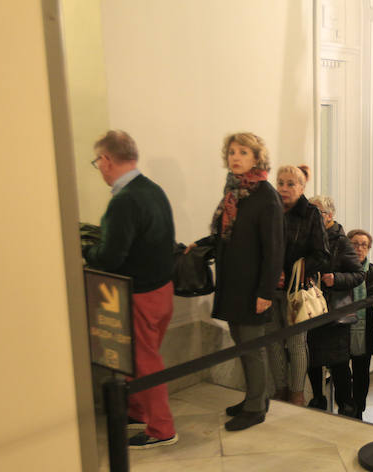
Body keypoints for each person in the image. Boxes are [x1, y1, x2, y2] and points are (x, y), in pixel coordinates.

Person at [85, 130, 178, 448]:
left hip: (139, 293)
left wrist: (87, 251)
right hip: (162, 289)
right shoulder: (153, 189)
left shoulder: (124, 200)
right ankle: (137, 412)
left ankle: (161, 428)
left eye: (97, 161)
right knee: (139, 357)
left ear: (107, 160)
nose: (99, 168)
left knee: (143, 360)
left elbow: (111, 256)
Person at [191, 132, 284, 432]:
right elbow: (225, 236)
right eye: (232, 152)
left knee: (253, 347)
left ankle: (256, 407)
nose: (235, 157)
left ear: (257, 158)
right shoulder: (233, 192)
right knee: (242, 344)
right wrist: (200, 244)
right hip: (232, 283)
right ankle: (252, 398)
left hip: (253, 287)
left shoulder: (266, 196)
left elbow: (274, 249)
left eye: (243, 152)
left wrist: (266, 292)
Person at [266, 165, 328, 407]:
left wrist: (293, 269)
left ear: (302, 187)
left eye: (291, 183)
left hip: (297, 291)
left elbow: (322, 254)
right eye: (280, 182)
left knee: (296, 343)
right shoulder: (270, 210)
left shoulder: (311, 213)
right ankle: (280, 388)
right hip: (270, 288)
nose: (284, 188)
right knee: (272, 340)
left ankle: (297, 392)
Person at [306, 196, 364, 415]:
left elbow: (359, 274)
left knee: (339, 363)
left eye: (316, 213)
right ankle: (318, 398)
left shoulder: (341, 240)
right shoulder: (311, 238)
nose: (311, 217)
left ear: (329, 216)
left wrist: (336, 279)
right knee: (313, 359)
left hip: (335, 313)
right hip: (312, 309)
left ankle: (345, 404)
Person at [346, 229, 373, 421]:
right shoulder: (341, 268)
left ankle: (358, 410)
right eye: (355, 243)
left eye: (364, 245)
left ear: (368, 249)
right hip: (342, 329)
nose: (359, 248)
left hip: (365, 329)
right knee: (342, 371)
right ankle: (346, 406)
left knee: (362, 373)